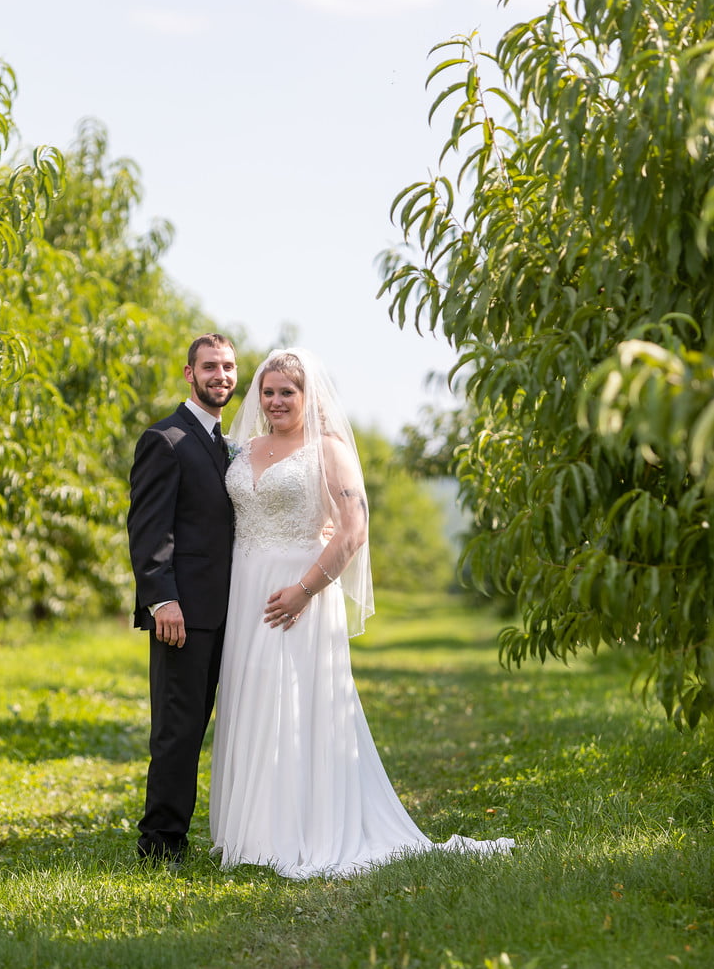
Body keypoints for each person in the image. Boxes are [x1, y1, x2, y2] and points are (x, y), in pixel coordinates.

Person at [209, 348, 514, 879]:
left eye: (288, 392)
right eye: (269, 391)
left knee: (297, 704)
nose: (276, 401)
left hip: (299, 595)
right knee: (251, 696)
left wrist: (303, 591)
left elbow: (353, 531)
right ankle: (250, 833)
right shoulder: (241, 449)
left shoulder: (327, 451)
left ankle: (302, 829)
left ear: (308, 398)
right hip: (245, 593)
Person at [127, 333, 237, 865]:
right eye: (210, 366)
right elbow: (149, 531)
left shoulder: (221, 442)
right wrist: (162, 600)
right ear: (189, 374)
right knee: (178, 730)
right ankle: (160, 844)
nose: (221, 375)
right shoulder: (165, 439)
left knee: (214, 726)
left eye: (229, 367)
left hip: (228, 615)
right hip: (183, 616)